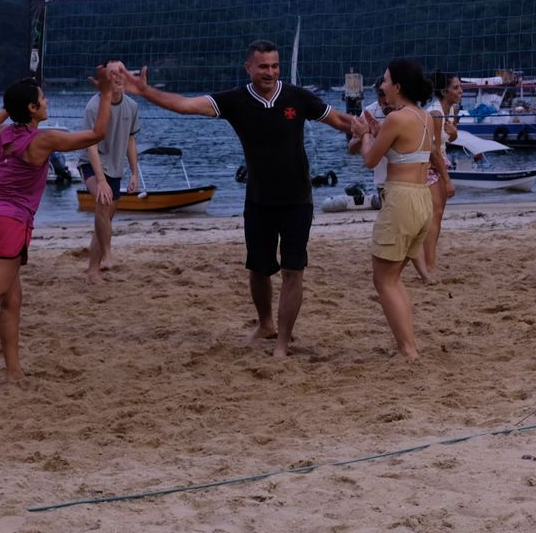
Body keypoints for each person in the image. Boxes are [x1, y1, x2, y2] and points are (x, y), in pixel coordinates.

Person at [123, 40, 359, 357]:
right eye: (263, 66)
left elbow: (340, 120)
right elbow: (185, 105)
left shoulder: (296, 97)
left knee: (293, 270)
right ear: (248, 67)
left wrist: (363, 127)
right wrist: (146, 92)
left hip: (297, 199)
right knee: (258, 269)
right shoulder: (235, 100)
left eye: (275, 66)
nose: (271, 72)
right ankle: (265, 324)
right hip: (259, 199)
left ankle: (283, 341)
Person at [0, 69, 118, 408]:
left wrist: (11, 106)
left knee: (12, 299)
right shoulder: (44, 140)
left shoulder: (2, 134)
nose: (47, 101)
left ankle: (14, 373)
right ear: (33, 109)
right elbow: (98, 133)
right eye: (41, 99)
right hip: (8, 221)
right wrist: (105, 93)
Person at [357, 58, 445, 358]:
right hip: (421, 198)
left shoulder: (396, 119)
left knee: (383, 280)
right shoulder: (423, 115)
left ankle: (408, 350)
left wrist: (366, 134)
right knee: (393, 280)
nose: (381, 86)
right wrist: (378, 128)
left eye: (384, 80)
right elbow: (410, 147)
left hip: (402, 199)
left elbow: (369, 160)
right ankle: (409, 346)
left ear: (397, 85)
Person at [82, 55, 144, 281]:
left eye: (121, 72)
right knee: (102, 204)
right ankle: (108, 255)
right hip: (92, 162)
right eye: (112, 73)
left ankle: (92, 270)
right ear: (105, 78)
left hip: (115, 168)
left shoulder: (132, 106)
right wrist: (100, 180)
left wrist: (135, 173)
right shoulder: (94, 106)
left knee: (105, 220)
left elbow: (130, 141)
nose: (117, 77)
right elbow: (90, 146)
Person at [421, 71, 461, 278]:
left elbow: (450, 138)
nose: (460, 91)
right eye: (456, 88)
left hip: (439, 161)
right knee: (433, 216)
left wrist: (454, 133)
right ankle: (429, 265)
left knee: (437, 216)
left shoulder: (452, 108)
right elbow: (433, 150)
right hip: (429, 164)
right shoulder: (435, 113)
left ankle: (430, 262)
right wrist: (447, 180)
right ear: (444, 91)